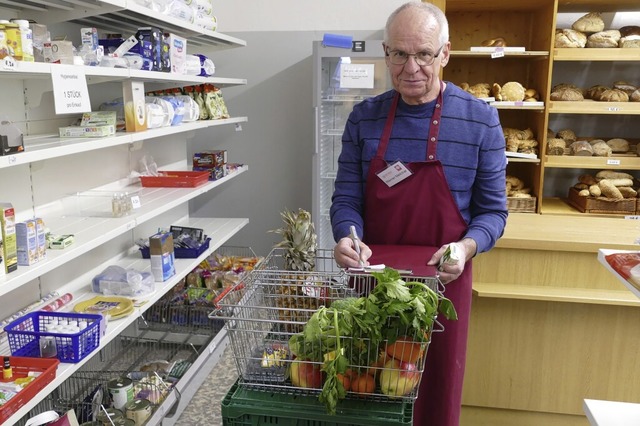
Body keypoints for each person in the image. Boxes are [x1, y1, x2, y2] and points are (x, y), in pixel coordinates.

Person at [330, 2, 508, 425]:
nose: (411, 67)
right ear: (385, 52)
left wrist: (465, 248)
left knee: (434, 394)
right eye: (398, 54)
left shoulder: (481, 122)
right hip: (373, 283)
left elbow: (493, 213)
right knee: (367, 389)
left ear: (445, 53)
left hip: (443, 286)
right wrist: (346, 235)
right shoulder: (364, 119)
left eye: (423, 54)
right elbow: (346, 198)